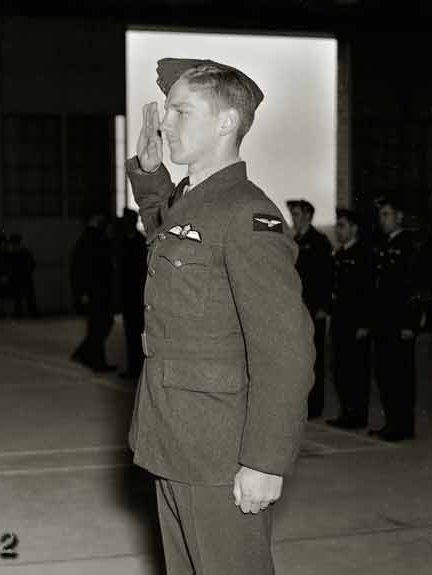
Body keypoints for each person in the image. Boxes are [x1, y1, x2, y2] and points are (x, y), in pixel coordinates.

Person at [125, 58, 314, 575]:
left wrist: (264, 460)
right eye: (167, 111)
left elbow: (285, 347)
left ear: (227, 121)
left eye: (181, 111)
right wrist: (149, 175)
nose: (165, 123)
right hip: (175, 437)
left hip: (220, 452)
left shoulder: (249, 215)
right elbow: (169, 234)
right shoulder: (195, 200)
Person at [369, 197, 420, 441]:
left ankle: (403, 425)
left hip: (400, 324)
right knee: (385, 373)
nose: (382, 219)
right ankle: (392, 422)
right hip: (383, 322)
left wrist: (411, 323)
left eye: (387, 214)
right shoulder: (383, 245)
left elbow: (415, 288)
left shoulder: (409, 246)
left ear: (399, 217)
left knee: (401, 375)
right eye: (380, 215)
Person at [286, 199, 333, 419]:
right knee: (299, 357)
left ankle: (315, 406)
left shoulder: (319, 242)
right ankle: (303, 403)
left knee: (315, 358)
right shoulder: (294, 240)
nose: (293, 218)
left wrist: (323, 306)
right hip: (297, 308)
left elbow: (326, 277)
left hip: (314, 309)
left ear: (307, 216)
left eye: (296, 214)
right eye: (292, 214)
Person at [327, 208, 372, 429]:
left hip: (355, 323)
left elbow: (368, 292)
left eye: (343, 225)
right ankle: (346, 412)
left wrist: (365, 322)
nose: (338, 229)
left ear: (354, 229)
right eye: (337, 225)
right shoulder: (340, 254)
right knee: (340, 368)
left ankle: (357, 415)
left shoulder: (363, 255)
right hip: (340, 320)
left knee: (356, 370)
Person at [69, 213, 117, 372]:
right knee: (100, 324)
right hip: (96, 290)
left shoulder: (90, 238)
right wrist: (82, 292)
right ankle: (94, 359)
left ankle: (85, 354)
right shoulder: (92, 239)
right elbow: (82, 268)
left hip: (95, 290)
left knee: (99, 324)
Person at [117, 208, 148, 381]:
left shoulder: (137, 243)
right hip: (129, 295)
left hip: (137, 296)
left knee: (136, 334)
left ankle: (137, 369)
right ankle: (133, 368)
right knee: (130, 334)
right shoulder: (128, 241)